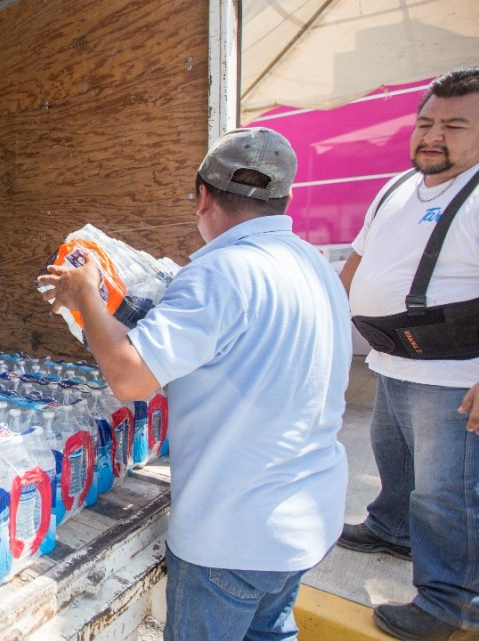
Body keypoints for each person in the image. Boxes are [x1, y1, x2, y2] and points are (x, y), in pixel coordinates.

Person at [38, 127, 352, 641]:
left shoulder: (222, 273)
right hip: (305, 518)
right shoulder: (314, 265)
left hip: (234, 535)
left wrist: (86, 295)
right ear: (283, 200)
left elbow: (130, 378)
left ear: (203, 195)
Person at [337, 67, 479, 641]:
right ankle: (392, 528)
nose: (433, 136)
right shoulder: (397, 187)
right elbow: (356, 264)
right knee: (397, 461)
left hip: (461, 373)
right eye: (426, 122)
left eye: (455, 125)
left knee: (451, 490)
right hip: (395, 360)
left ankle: (456, 608)